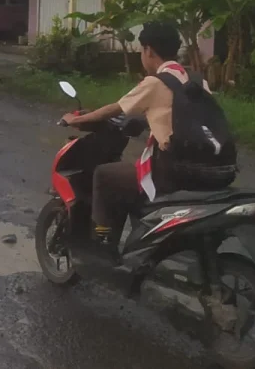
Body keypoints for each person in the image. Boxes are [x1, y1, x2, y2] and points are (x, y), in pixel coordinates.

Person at [60, 21, 237, 257]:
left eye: (142, 51)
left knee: (105, 175)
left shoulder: (156, 82)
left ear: (149, 51)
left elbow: (115, 109)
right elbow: (183, 116)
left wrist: (77, 120)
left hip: (174, 172)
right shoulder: (197, 80)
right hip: (209, 168)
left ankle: (101, 243)